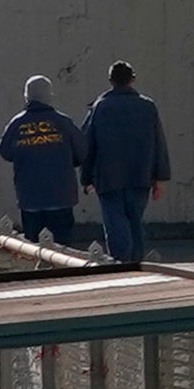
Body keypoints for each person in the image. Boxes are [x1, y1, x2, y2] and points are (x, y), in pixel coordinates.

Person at [80, 60, 167, 270]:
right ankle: (136, 262)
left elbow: (87, 145)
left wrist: (86, 177)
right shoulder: (147, 106)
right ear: (132, 79)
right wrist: (159, 178)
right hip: (140, 176)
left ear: (110, 81)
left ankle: (121, 263)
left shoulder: (100, 107)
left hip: (108, 178)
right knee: (135, 220)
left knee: (115, 222)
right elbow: (159, 143)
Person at [0, 75, 87, 247]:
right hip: (62, 196)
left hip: (30, 197)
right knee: (62, 250)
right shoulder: (63, 122)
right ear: (49, 95)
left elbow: (5, 151)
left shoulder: (17, 123)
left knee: (33, 250)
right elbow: (82, 152)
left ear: (27, 96)